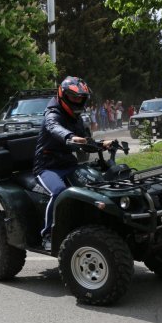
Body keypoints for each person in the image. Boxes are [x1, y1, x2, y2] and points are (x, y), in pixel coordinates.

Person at [33, 77, 108, 251]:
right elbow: (54, 128)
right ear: (63, 95)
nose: (77, 101)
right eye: (73, 97)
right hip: (46, 166)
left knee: (95, 184)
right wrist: (69, 137)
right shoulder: (52, 114)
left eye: (80, 98)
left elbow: (85, 142)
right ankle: (47, 235)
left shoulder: (76, 119)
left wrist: (102, 144)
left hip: (68, 164)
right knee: (59, 192)